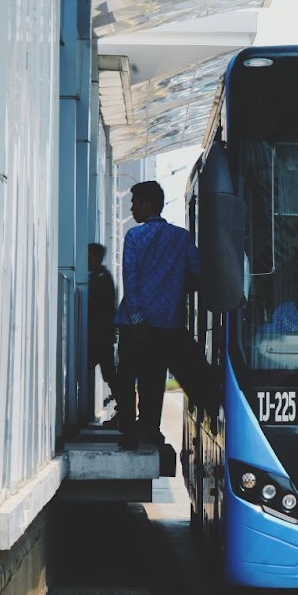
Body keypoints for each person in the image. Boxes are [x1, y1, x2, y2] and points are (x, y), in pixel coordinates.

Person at [114, 180, 213, 451]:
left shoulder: (134, 237)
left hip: (135, 322)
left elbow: (130, 279)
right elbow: (197, 273)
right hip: (167, 323)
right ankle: (149, 427)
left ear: (147, 204)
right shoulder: (181, 237)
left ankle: (128, 427)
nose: (132, 208)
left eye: (134, 202)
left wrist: (136, 319)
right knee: (153, 376)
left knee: (126, 375)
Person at [87, 243, 117, 409]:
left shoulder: (101, 278)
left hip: (99, 335)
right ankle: (124, 407)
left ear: (97, 257)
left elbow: (99, 308)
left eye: (89, 255)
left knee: (109, 373)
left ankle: (125, 409)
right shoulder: (101, 276)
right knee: (108, 373)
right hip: (100, 334)